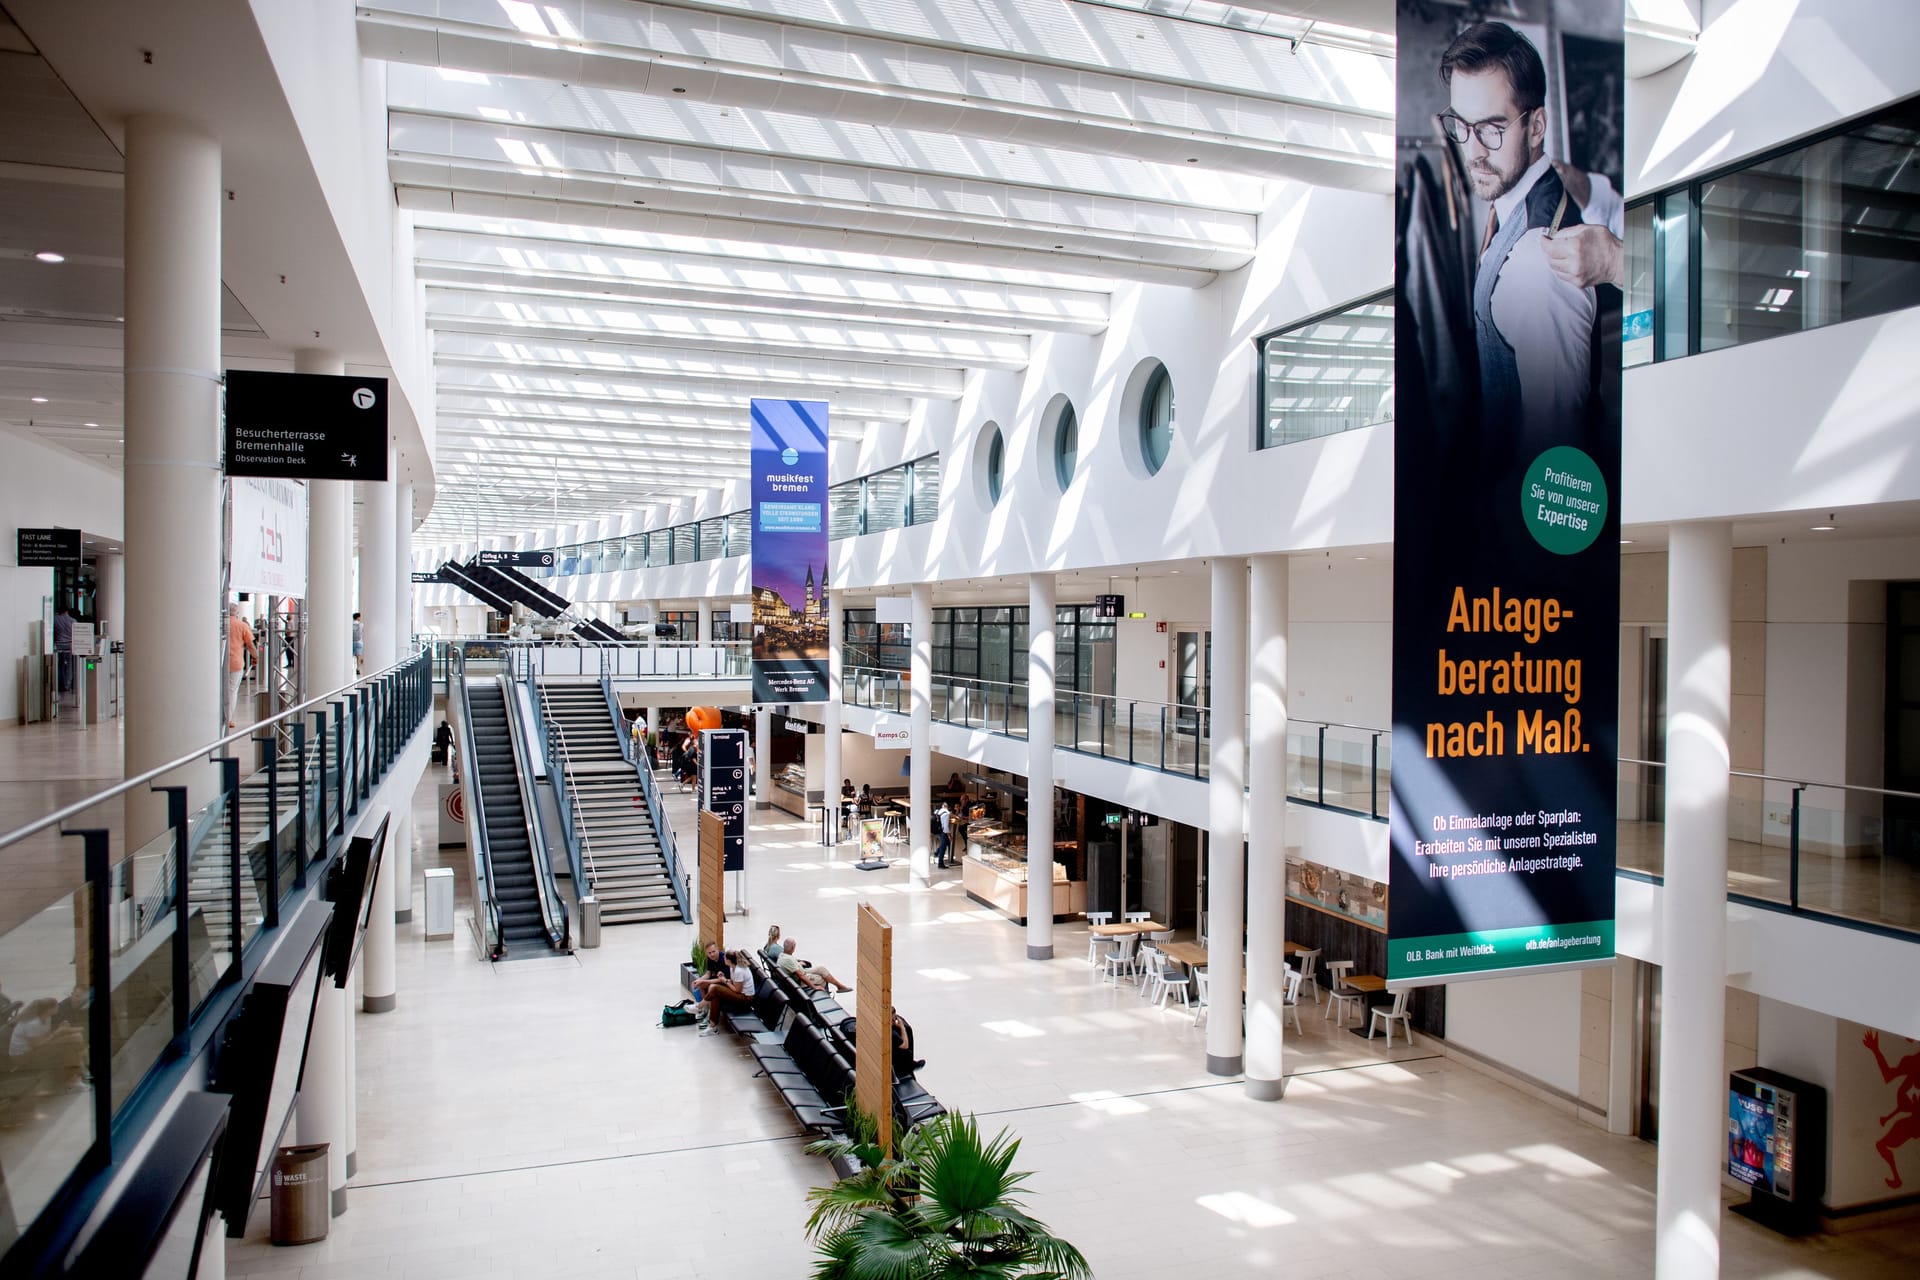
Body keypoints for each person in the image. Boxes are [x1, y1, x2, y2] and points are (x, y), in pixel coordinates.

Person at [1438, 21, 1608, 453]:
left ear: (1536, 128)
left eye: (1492, 129)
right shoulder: (1511, 202)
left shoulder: (1536, 263)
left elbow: (1555, 442)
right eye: (1462, 125)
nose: (1473, 150)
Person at [698, 950, 757, 1035]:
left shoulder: (739, 970)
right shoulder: (732, 967)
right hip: (739, 994)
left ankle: (699, 1006)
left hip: (745, 999)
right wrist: (724, 978)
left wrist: (724, 981)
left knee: (715, 988)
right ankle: (712, 1027)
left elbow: (737, 990)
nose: (723, 959)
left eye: (725, 958)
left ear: (729, 961)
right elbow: (733, 982)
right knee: (715, 995)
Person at [225, 606, 258, 729]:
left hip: (220, 662)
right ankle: (228, 718)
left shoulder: (219, 624)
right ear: (237, 613)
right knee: (232, 690)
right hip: (235, 662)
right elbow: (250, 644)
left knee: (219, 690)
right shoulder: (242, 625)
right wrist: (255, 656)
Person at [778, 937, 851, 993]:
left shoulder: (782, 955)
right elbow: (801, 976)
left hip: (802, 971)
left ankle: (840, 986)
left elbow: (791, 965)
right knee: (822, 979)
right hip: (800, 981)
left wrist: (798, 963)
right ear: (793, 947)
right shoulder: (788, 960)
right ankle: (824, 997)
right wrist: (814, 987)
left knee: (821, 969)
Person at [891, 1008, 924, 1079]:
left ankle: (910, 1063)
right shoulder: (892, 1034)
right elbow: (905, 1045)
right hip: (895, 1062)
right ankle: (909, 1066)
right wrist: (902, 1028)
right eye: (893, 1019)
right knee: (907, 1030)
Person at [53, 605, 74, 695]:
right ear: (67, 611)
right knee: (68, 667)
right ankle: (67, 685)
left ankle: (58, 684)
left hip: (58, 645)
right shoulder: (73, 621)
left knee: (59, 666)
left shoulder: (55, 619)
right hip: (69, 646)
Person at [934, 800, 953, 869]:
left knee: (946, 842)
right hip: (943, 831)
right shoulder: (947, 813)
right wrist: (949, 835)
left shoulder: (938, 811)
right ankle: (940, 863)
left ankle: (937, 852)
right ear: (948, 807)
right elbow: (946, 827)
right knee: (943, 846)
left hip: (937, 830)